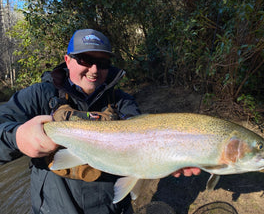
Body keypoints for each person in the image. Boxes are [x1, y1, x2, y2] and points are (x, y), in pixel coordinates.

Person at [0, 29, 200, 214]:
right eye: (85, 60)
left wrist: (171, 156)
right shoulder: (39, 96)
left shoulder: (122, 102)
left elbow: (142, 143)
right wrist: (17, 137)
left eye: (103, 63)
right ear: (67, 60)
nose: (94, 70)